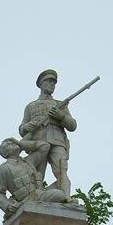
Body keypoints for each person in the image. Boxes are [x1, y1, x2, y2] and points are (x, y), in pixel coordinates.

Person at [19, 69, 76, 201]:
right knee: (37, 175)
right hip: (38, 143)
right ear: (41, 84)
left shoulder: (60, 105)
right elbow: (22, 129)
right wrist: (28, 126)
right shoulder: (31, 106)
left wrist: (61, 116)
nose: (52, 85)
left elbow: (72, 125)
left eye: (54, 83)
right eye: (49, 81)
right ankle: (34, 197)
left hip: (57, 141)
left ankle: (67, 198)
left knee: (61, 170)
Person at [0, 137, 67, 219]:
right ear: (5, 153)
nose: (12, 143)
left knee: (62, 187)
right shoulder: (4, 169)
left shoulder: (29, 161)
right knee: (59, 195)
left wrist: (21, 144)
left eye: (14, 142)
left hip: (40, 194)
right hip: (26, 199)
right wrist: (8, 206)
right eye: (9, 144)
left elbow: (45, 146)